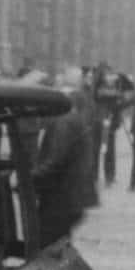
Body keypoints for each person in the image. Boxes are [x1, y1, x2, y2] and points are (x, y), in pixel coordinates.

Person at [32, 69, 96, 248]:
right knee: (59, 246)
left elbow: (56, 161)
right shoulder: (73, 120)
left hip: (60, 200)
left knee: (48, 247)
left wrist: (29, 177)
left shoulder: (63, 122)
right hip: (70, 199)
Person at [91, 63, 132, 187]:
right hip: (97, 122)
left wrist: (120, 101)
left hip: (111, 122)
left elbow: (126, 98)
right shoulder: (97, 84)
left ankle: (109, 176)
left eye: (110, 74)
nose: (109, 78)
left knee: (109, 150)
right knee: (96, 150)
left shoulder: (117, 86)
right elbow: (95, 96)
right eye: (106, 74)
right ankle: (95, 176)